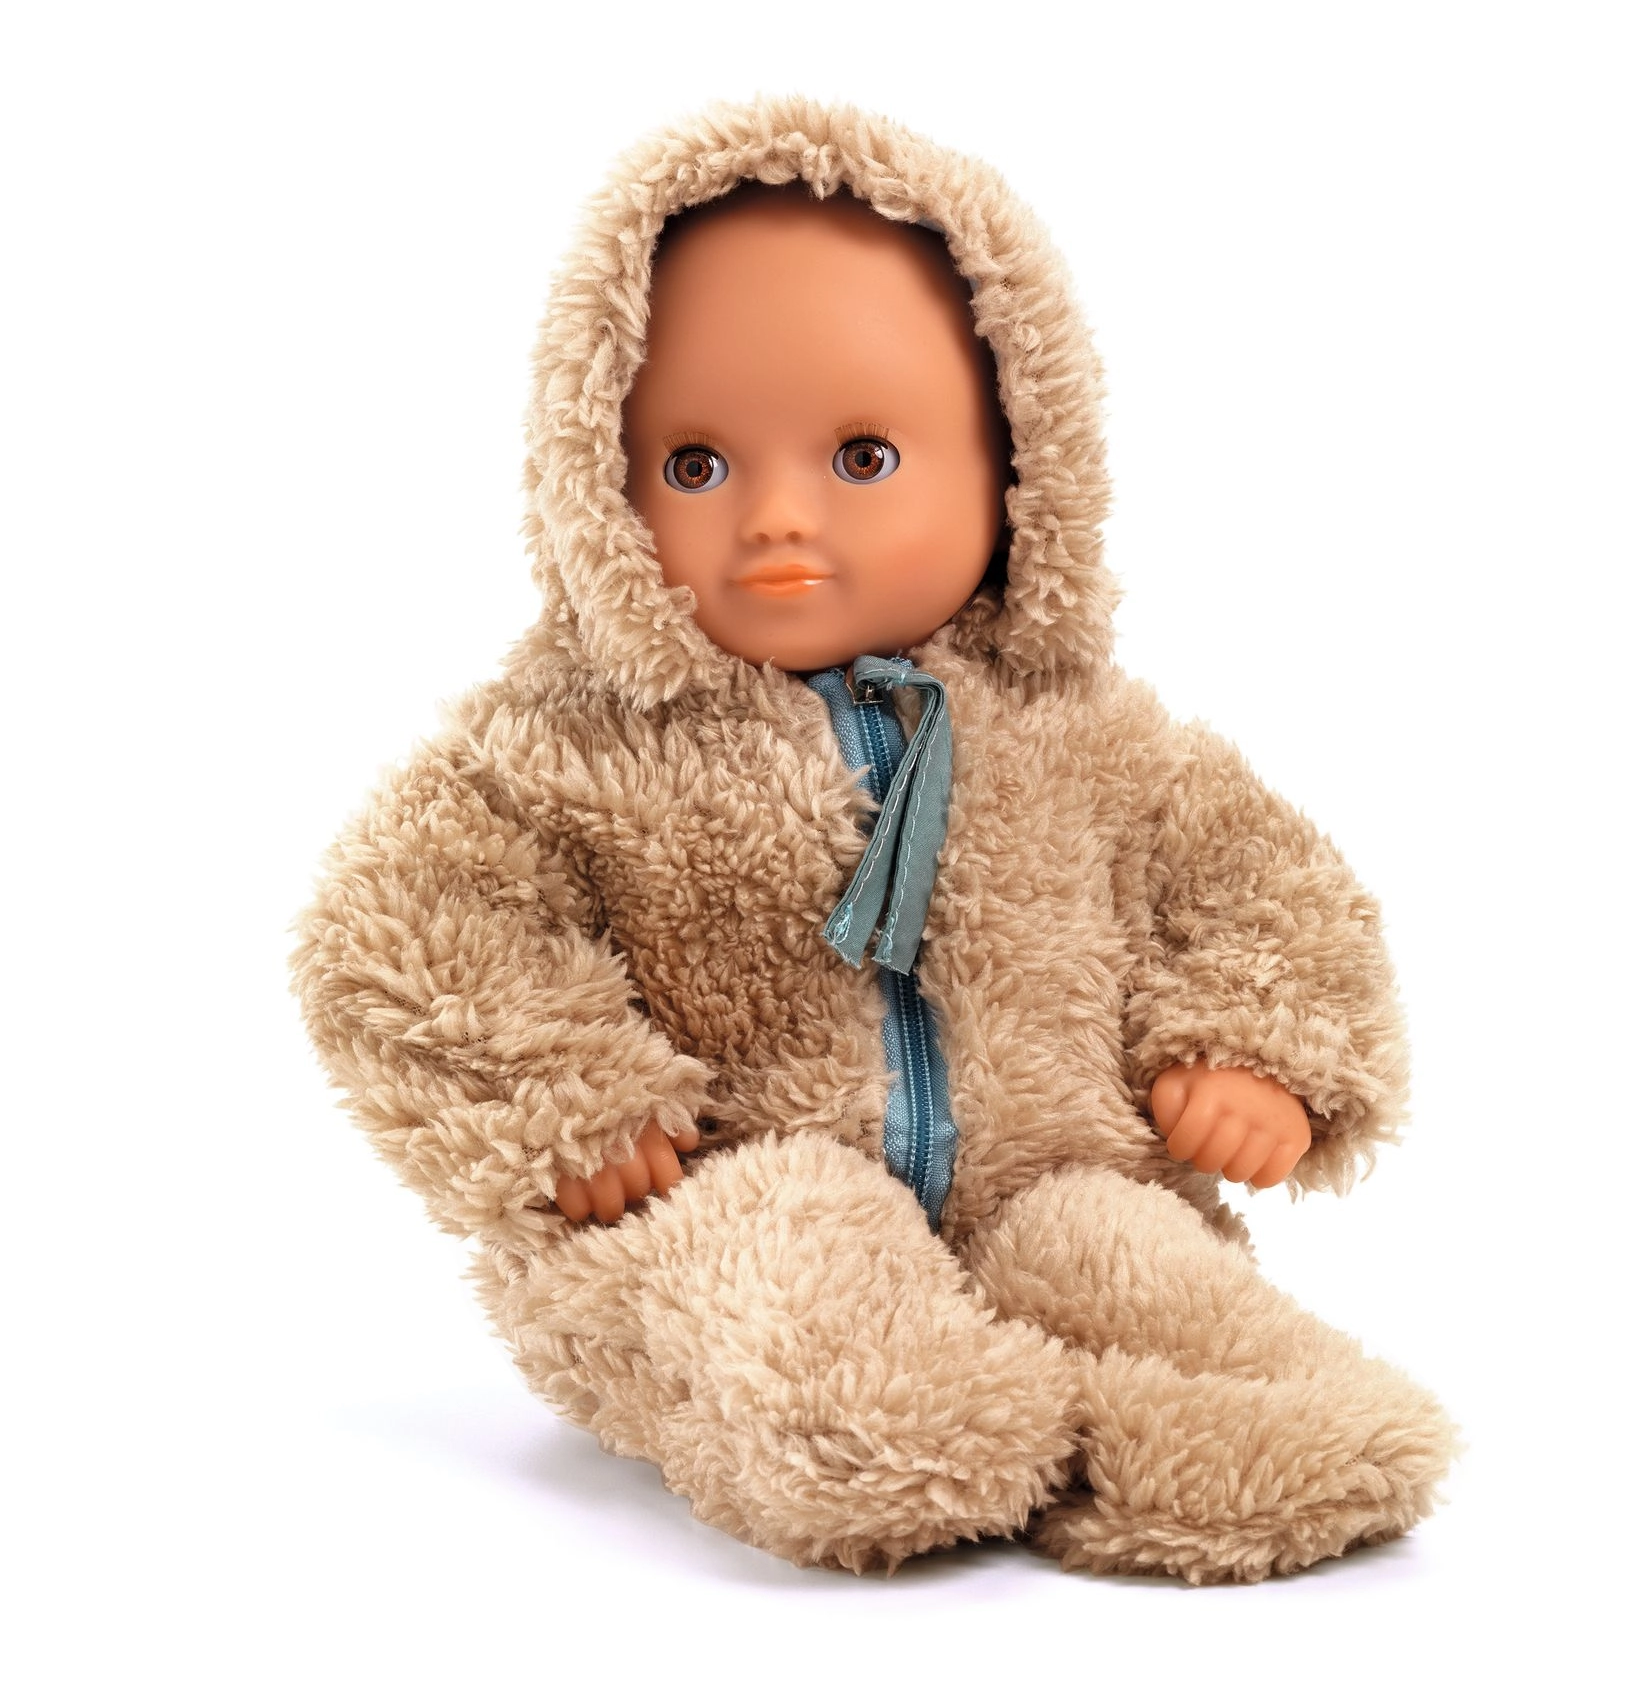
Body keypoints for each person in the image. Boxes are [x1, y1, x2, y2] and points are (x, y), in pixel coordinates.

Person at [290, 96, 1458, 1582]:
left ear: (1018, 467)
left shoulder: (1083, 731)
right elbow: (401, 926)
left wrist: (1258, 1051)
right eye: (695, 466)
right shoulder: (566, 743)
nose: (776, 518)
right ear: (593, 479)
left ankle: (1262, 1435)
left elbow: (1267, 888)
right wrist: (563, 1107)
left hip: (1045, 1184)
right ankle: (890, 1439)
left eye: (860, 457)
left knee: (1118, 1247)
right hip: (711, 1192)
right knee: (793, 1239)